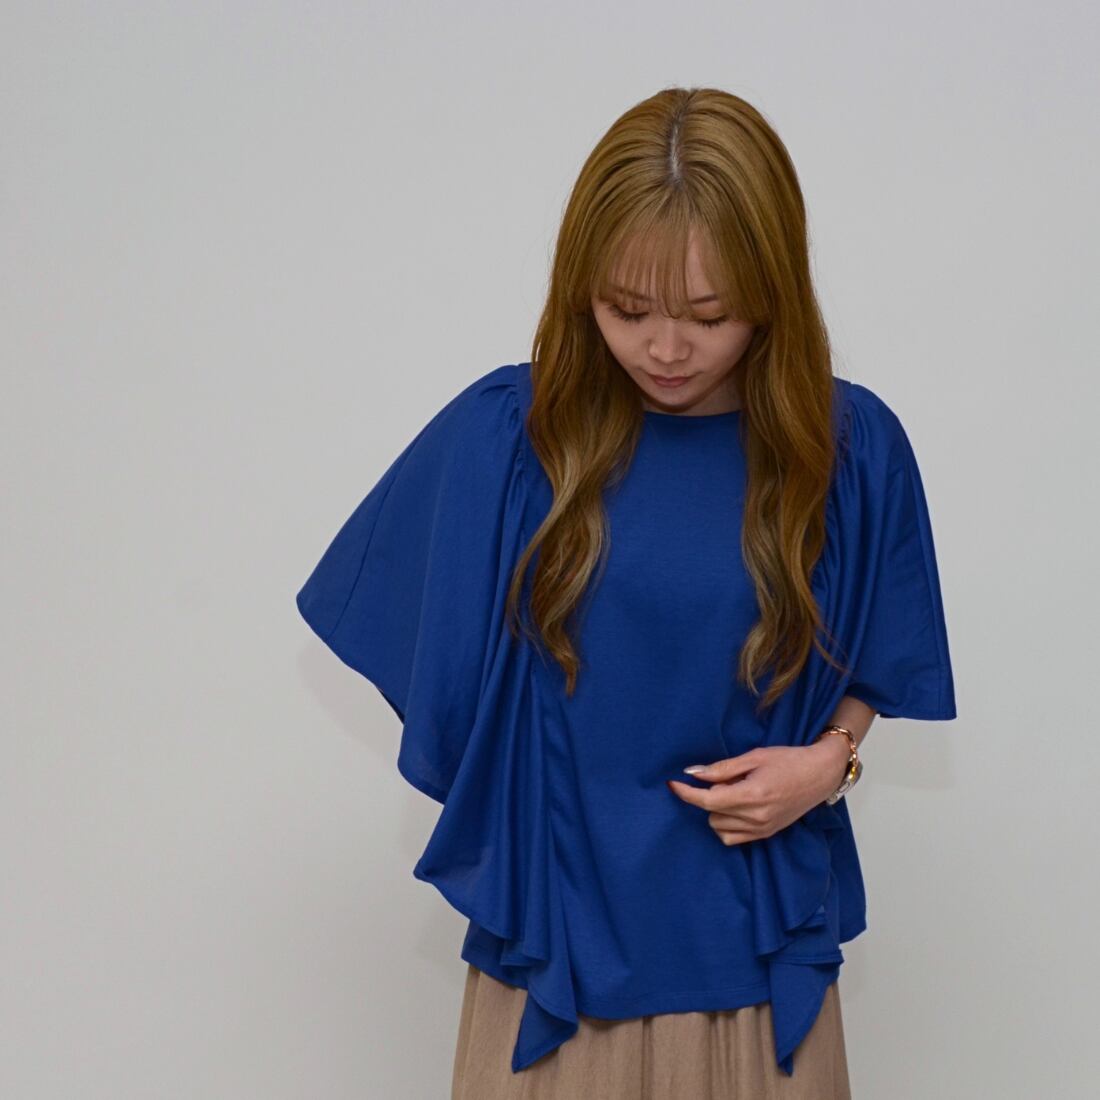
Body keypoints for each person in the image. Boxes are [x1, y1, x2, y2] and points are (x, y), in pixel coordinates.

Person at [295, 86, 956, 1099]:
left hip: (754, 942)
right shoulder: (507, 440)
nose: (665, 349)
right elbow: (431, 672)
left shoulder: (849, 449)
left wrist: (829, 762)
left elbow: (881, 651)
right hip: (552, 956)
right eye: (627, 309)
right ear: (579, 288)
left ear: (772, 290)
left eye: (708, 314)